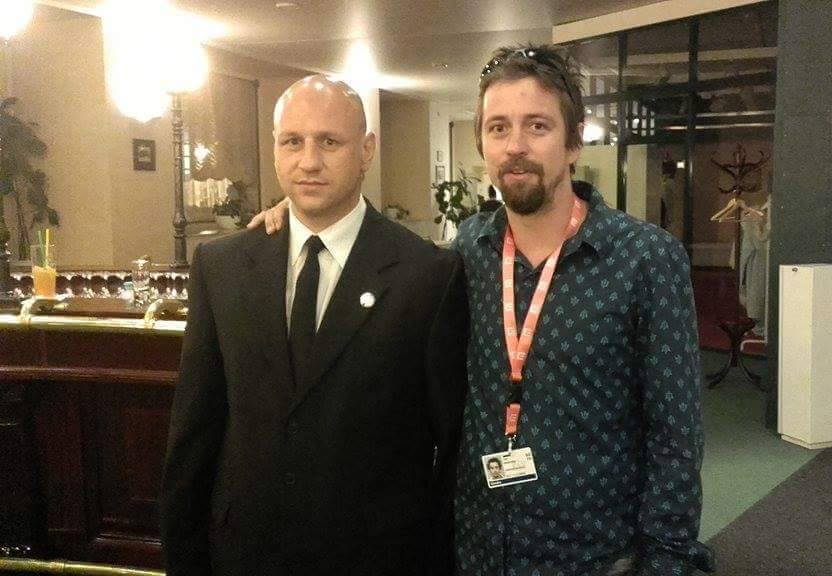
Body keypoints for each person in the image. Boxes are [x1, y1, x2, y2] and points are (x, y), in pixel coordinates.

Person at [249, 45, 714, 576]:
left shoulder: (645, 259)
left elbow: (676, 435)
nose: (515, 146)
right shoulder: (465, 252)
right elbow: (379, 265)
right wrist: (303, 212)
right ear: (482, 144)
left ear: (574, 141)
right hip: (475, 549)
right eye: (498, 128)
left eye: (537, 126)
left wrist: (665, 561)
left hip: (594, 555)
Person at [160, 75, 468, 576]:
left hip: (376, 558)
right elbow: (195, 429)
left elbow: (450, 444)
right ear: (274, 149)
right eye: (292, 141)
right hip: (244, 553)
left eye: (329, 142)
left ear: (365, 150)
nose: (308, 161)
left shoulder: (427, 274)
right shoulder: (222, 267)